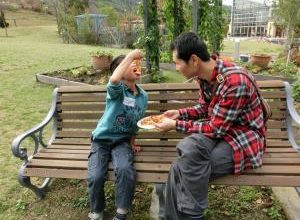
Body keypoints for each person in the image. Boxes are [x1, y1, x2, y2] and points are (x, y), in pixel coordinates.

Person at [154, 32, 266, 220]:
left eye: (177, 62)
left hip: (243, 138)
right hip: (222, 131)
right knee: (188, 151)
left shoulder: (234, 82)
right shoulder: (206, 76)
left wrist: (175, 125)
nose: (176, 68)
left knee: (183, 167)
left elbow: (216, 129)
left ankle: (188, 216)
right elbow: (206, 108)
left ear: (194, 60)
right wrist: (180, 113)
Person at [87, 49, 148, 220]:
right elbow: (114, 79)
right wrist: (130, 56)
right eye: (131, 65)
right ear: (121, 71)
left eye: (137, 64)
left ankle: (121, 212)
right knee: (96, 175)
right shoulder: (117, 90)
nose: (135, 66)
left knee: (125, 169)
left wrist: (133, 142)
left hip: (122, 142)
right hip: (101, 141)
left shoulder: (143, 96)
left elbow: (136, 122)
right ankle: (97, 210)